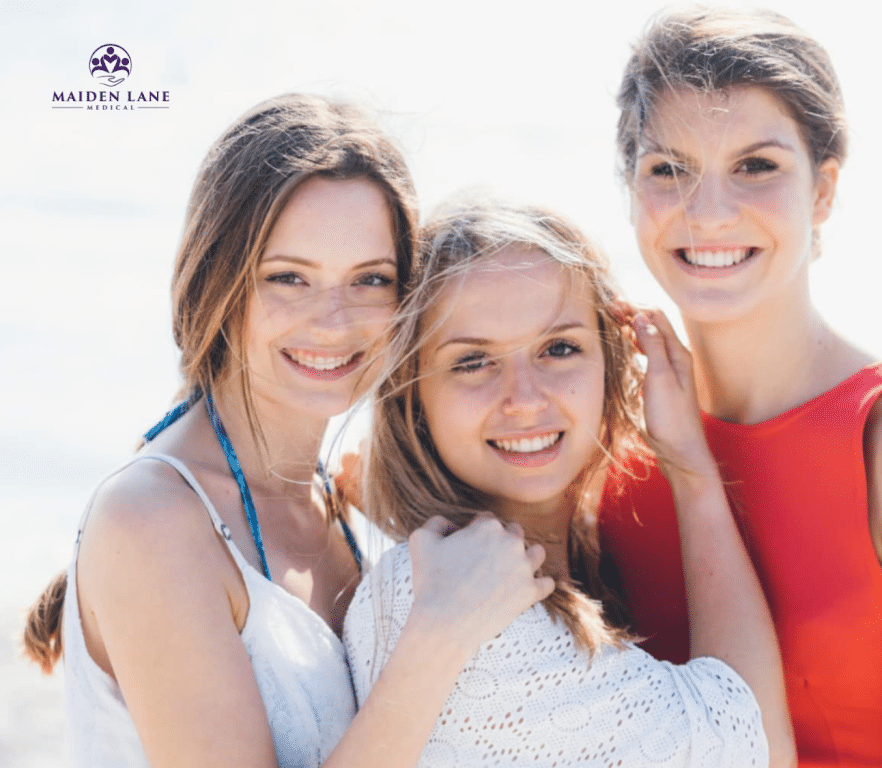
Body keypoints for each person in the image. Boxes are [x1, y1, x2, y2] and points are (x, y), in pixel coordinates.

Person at [22, 93, 554, 768]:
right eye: (289, 278)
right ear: (218, 283)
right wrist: (440, 635)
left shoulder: (346, 506)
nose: (334, 320)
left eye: (370, 279)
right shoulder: (151, 520)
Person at [601, 8, 882, 767]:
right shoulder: (600, 449)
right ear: (631, 192)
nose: (709, 212)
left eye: (756, 166)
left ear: (823, 191)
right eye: (668, 169)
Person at [345, 197, 796, 767]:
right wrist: (690, 468)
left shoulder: (561, 566)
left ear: (610, 365)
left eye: (559, 348)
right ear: (412, 398)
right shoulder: (455, 603)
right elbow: (753, 746)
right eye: (473, 361)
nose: (525, 399)